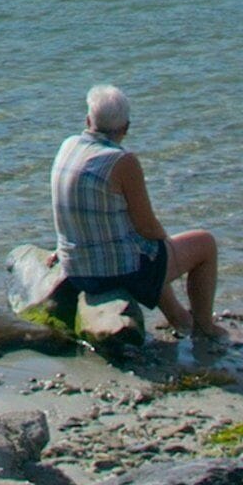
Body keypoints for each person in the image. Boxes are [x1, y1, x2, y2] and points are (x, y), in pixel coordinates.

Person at [50, 84, 221, 343]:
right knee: (203, 244)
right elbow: (147, 227)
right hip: (108, 272)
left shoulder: (68, 145)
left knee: (144, 249)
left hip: (75, 266)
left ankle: (179, 318)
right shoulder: (122, 161)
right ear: (126, 128)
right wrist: (166, 242)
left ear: (87, 120)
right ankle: (206, 327)